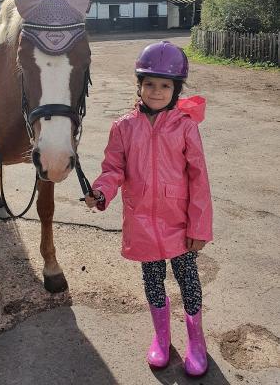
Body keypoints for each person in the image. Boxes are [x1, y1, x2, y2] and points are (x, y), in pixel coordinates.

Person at [86, 40, 212, 376]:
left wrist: (199, 227)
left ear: (176, 88)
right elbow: (113, 169)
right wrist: (101, 192)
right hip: (141, 222)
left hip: (180, 222)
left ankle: (196, 342)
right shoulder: (123, 127)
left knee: (189, 281)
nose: (156, 91)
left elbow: (199, 178)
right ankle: (161, 337)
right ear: (139, 85)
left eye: (165, 85)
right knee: (153, 280)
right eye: (149, 84)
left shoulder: (185, 126)